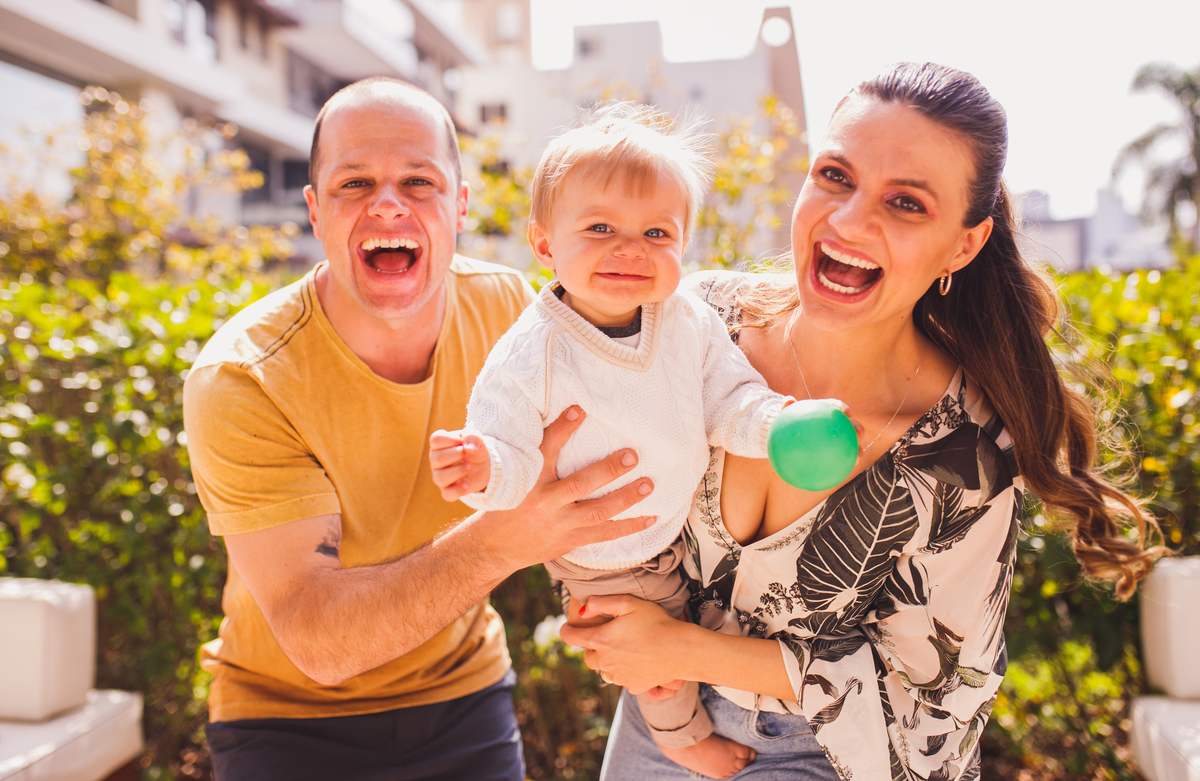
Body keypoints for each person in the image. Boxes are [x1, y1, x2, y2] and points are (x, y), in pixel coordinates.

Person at [561, 62, 1166, 781]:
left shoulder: (965, 452)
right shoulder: (691, 323)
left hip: (841, 755)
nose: (849, 221)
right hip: (663, 721)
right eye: (835, 177)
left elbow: (933, 703)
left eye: (906, 203)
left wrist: (679, 649)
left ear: (964, 245)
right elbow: (565, 404)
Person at [182, 77, 659, 781]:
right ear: (315, 211)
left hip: (464, 693)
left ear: (459, 204)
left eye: (418, 181)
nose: (387, 203)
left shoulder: (510, 312)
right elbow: (319, 642)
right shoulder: (243, 376)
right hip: (283, 716)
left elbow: (604, 450)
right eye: (353, 183)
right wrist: (505, 540)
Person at [428, 103, 794, 779]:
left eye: (657, 232)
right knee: (647, 655)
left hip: (680, 524)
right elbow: (510, 450)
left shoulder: (684, 319)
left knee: (700, 619)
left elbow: (728, 397)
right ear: (545, 247)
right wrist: (482, 467)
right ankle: (684, 742)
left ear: (683, 243)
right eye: (600, 228)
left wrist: (776, 425)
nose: (630, 249)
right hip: (604, 550)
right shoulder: (533, 350)